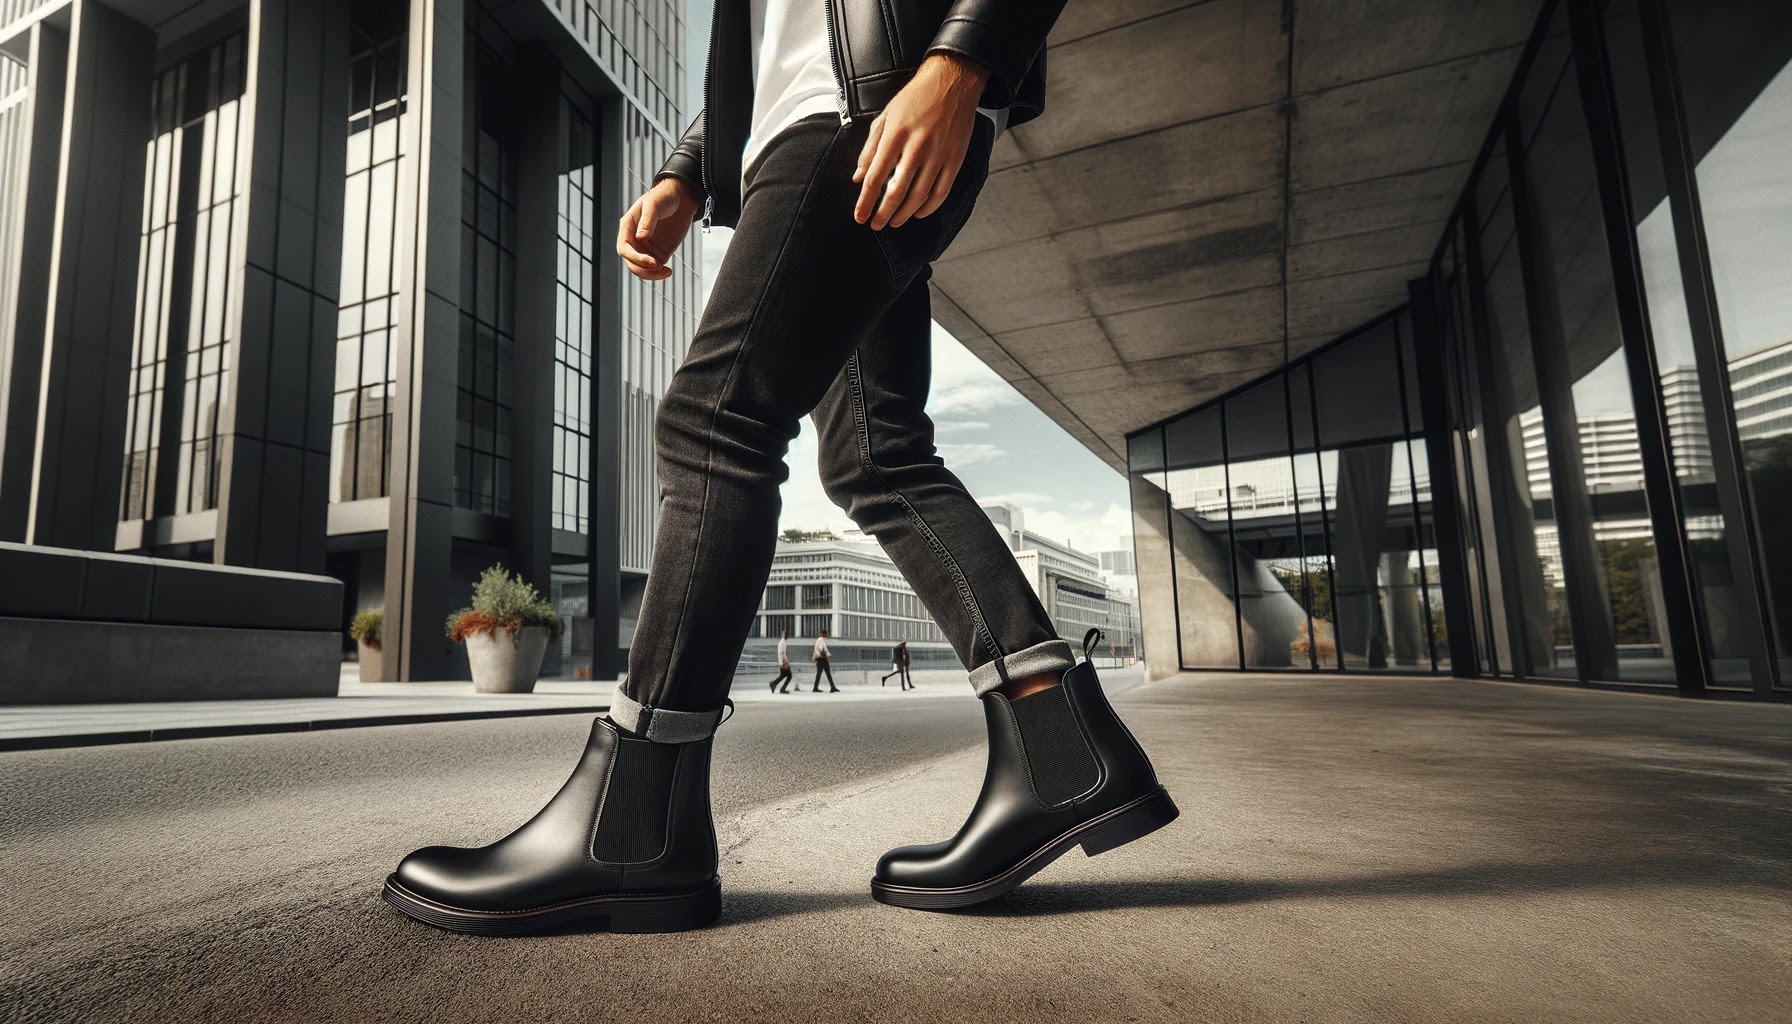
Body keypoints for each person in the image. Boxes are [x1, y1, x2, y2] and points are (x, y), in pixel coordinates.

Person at [383, 0, 1175, 936]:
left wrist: (962, 63)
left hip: (861, 121)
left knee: (713, 424)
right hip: (818, 127)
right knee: (880, 461)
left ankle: (635, 826)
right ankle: (1062, 749)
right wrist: (688, 170)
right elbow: (772, 37)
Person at [811, 629, 838, 693]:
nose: (827, 635)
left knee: (824, 674)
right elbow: (821, 650)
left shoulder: (821, 640)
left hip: (822, 659)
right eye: (826, 634)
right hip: (821, 659)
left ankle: (832, 687)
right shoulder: (820, 640)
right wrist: (826, 655)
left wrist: (827, 654)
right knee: (822, 674)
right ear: (823, 634)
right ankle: (816, 688)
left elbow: (824, 649)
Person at [770, 627, 793, 693]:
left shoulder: (783, 642)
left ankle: (774, 684)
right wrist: (783, 663)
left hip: (783, 662)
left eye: (786, 634)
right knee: (789, 676)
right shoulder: (782, 642)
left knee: (784, 675)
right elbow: (782, 653)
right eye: (785, 634)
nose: (786, 635)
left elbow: (782, 653)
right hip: (783, 662)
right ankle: (776, 686)